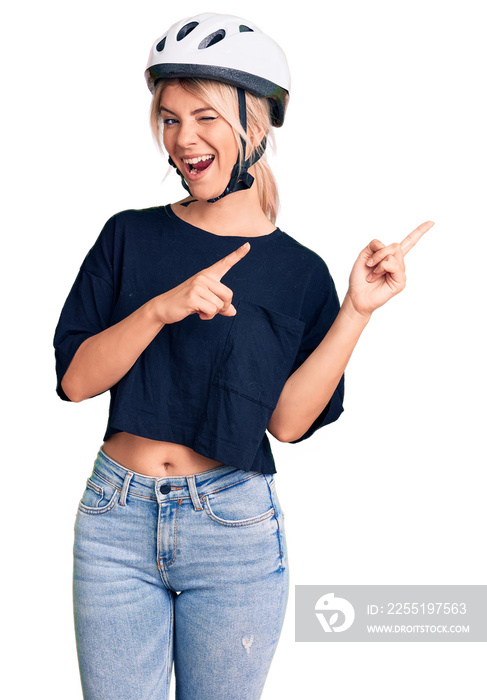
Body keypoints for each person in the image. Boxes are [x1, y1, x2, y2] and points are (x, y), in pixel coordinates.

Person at [53, 12, 433, 700]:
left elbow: (286, 424)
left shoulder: (298, 274)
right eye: (169, 119)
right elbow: (77, 382)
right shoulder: (128, 237)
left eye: (204, 116)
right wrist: (162, 307)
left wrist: (356, 310)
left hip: (232, 528)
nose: (183, 138)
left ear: (254, 129)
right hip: (115, 520)